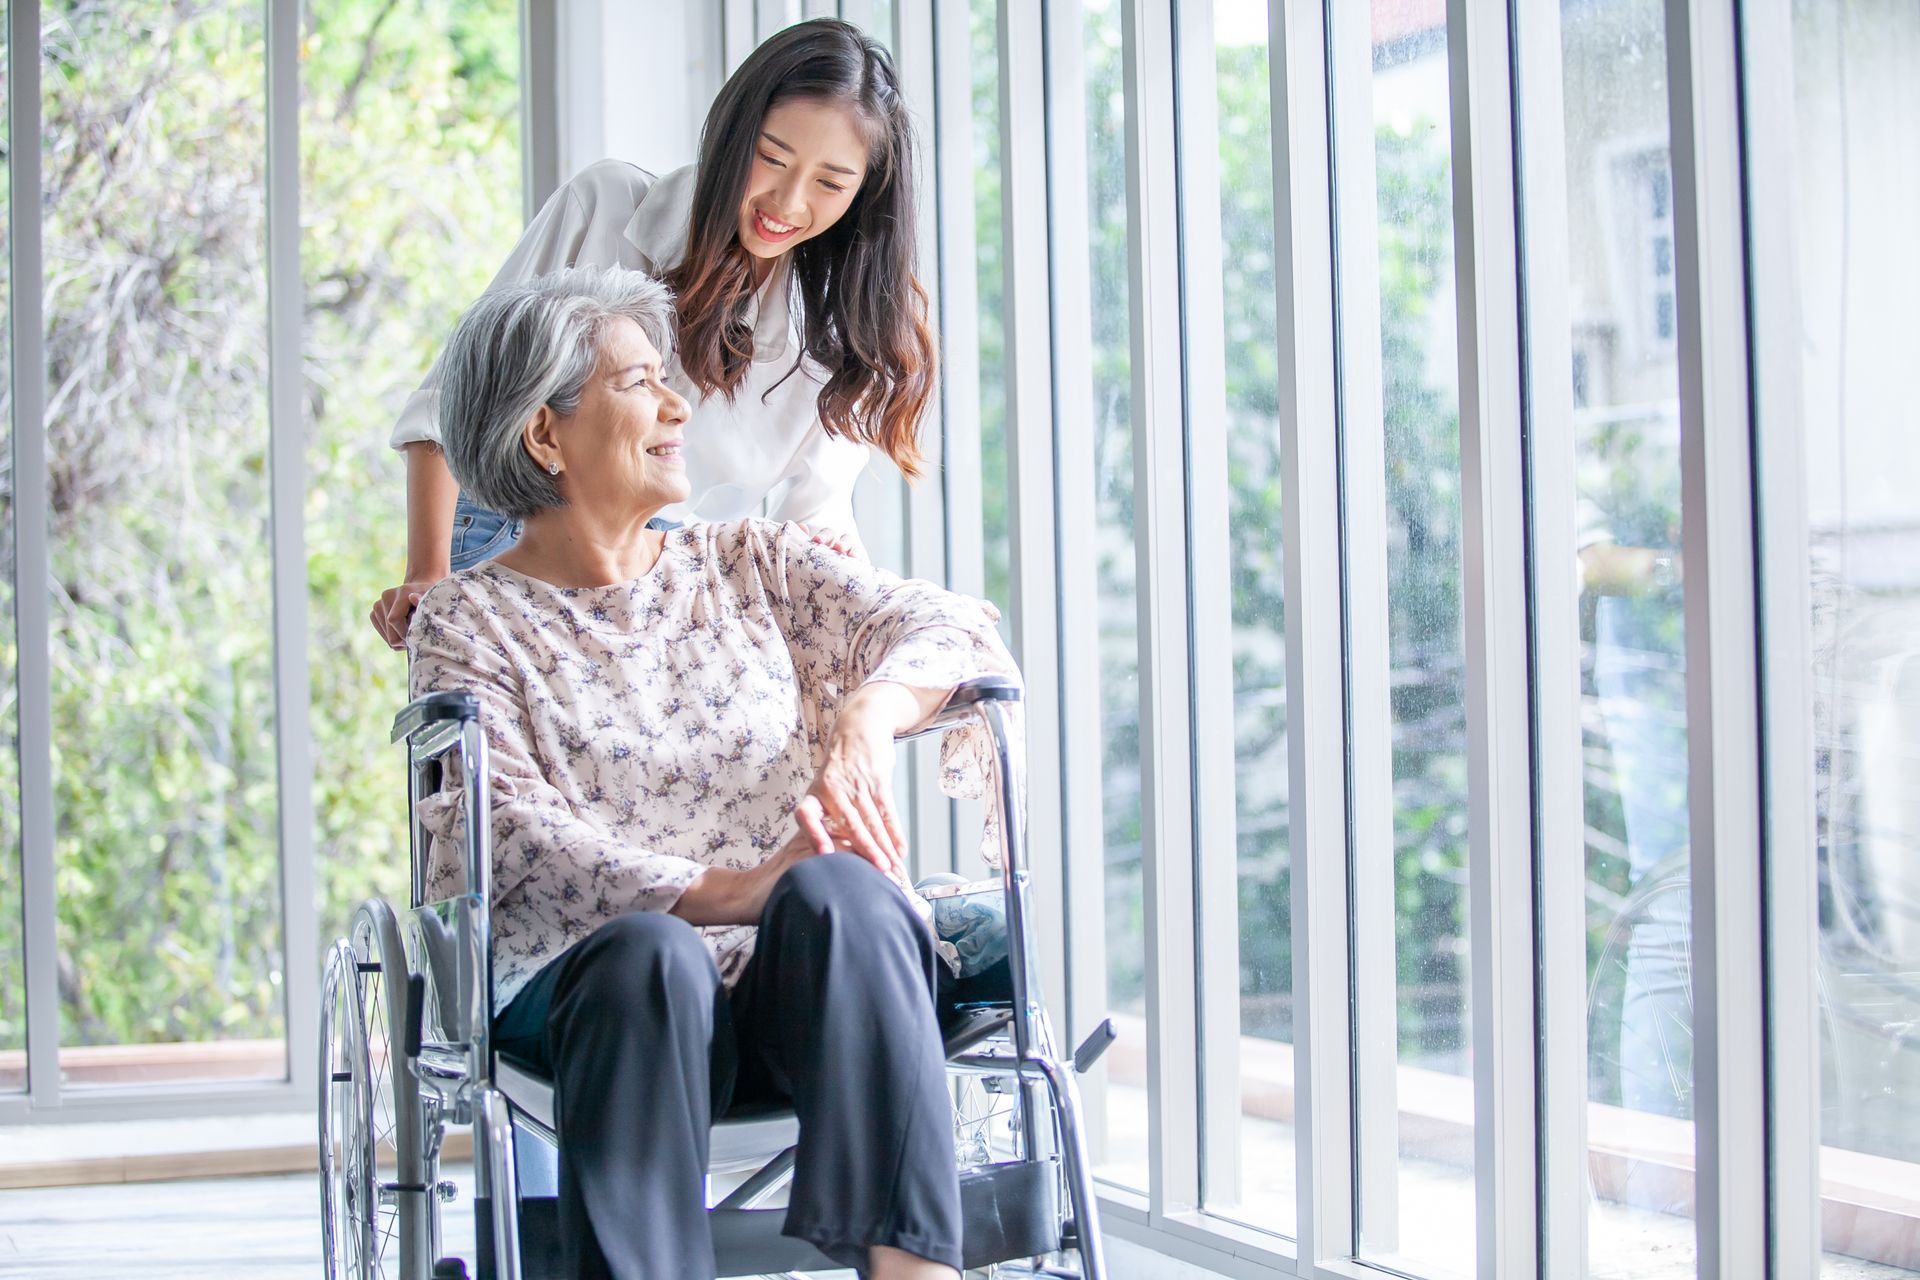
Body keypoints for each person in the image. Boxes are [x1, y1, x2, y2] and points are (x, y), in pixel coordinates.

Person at [407, 267, 1010, 1280]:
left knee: (845, 888)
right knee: (652, 954)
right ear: (544, 436)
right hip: (598, 998)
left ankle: (913, 1271)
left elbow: (952, 625)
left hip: (801, 980)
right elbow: (501, 826)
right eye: (638, 382)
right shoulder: (467, 621)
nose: (678, 404)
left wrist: (868, 714)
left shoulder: (753, 563)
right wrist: (724, 891)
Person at [371, 18, 936, 647]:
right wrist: (430, 574)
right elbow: (452, 400)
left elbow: (817, 513)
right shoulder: (607, 207)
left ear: (863, 194)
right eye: (771, 157)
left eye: (830, 183)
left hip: (667, 592)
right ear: (732, 132)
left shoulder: (833, 337)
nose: (787, 201)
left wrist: (838, 558)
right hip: (513, 534)